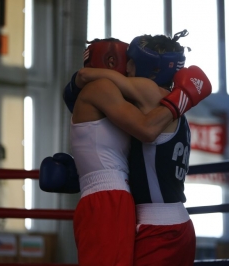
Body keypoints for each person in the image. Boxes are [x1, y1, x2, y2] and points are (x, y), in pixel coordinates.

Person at [40, 32, 211, 266]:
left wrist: (184, 97)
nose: (127, 67)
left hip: (156, 225)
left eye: (131, 60)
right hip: (175, 223)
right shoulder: (163, 106)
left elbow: (86, 76)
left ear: (150, 68)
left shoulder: (148, 91)